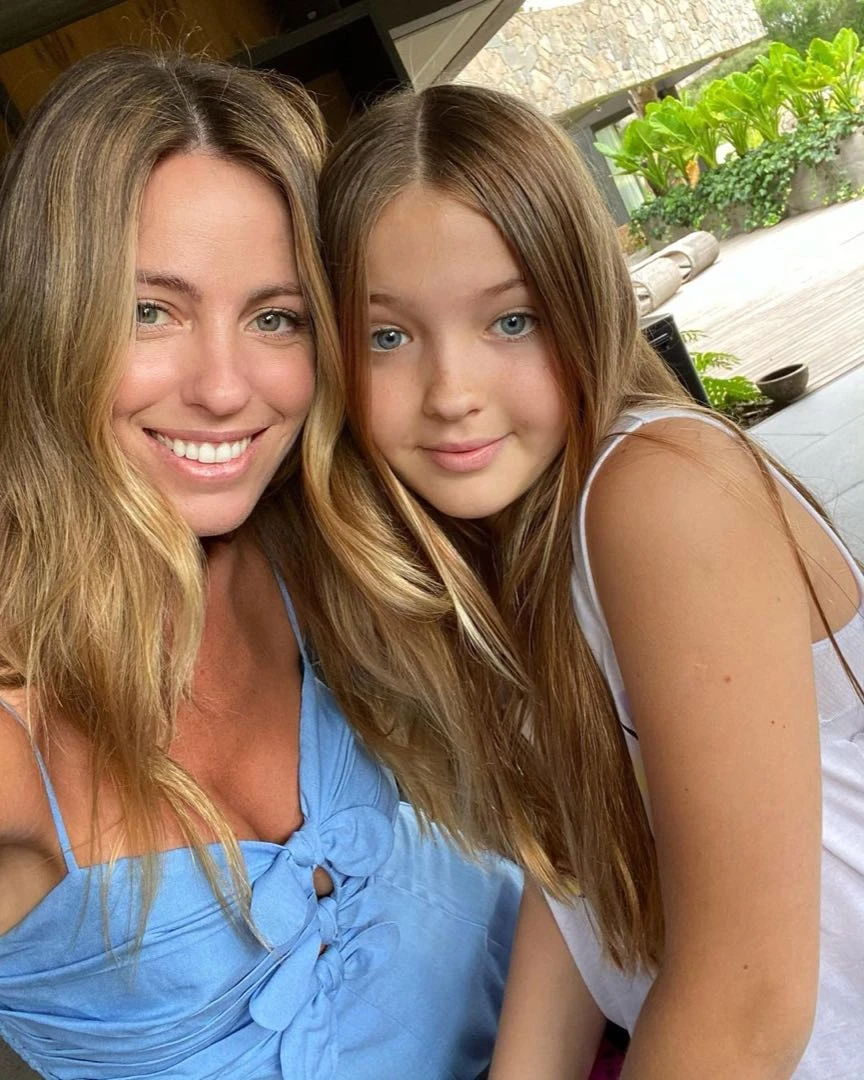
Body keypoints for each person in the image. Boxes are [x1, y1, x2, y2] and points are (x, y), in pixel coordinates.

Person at [314, 83, 864, 1079]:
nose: (451, 393)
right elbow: (577, 870)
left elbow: (748, 1006)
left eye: (511, 320)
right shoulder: (510, 543)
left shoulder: (657, 489)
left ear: (586, 307)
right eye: (387, 336)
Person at [0, 51, 519, 1080]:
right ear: (42, 319)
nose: (227, 389)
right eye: (149, 310)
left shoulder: (344, 547)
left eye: (275, 317)